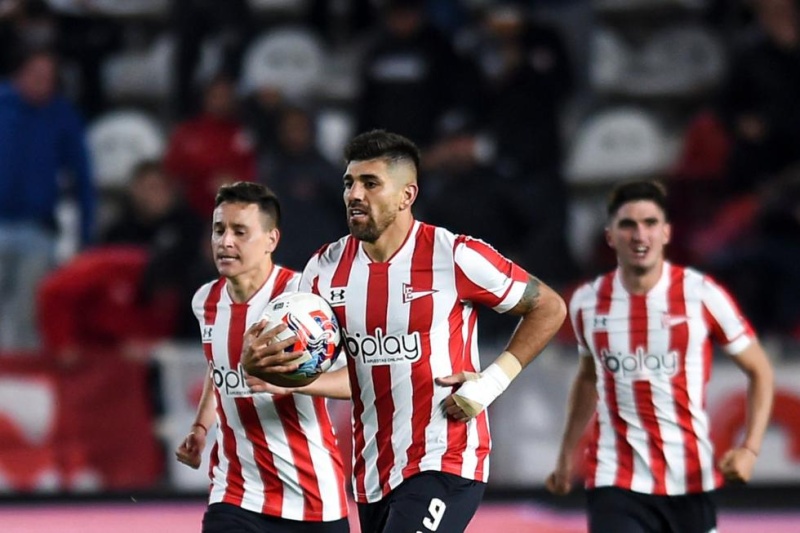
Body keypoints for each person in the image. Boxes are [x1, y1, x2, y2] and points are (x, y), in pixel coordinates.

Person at [243, 130, 567, 532]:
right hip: (373, 472)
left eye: (370, 183)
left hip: (445, 458)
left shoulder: (454, 255)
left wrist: (492, 382)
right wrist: (283, 374)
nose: (354, 194)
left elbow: (548, 306)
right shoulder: (325, 269)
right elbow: (359, 375)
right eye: (349, 183)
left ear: (406, 195)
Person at [545, 180, 775, 533]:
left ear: (666, 232)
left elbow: (759, 369)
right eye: (628, 224)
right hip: (615, 480)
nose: (640, 235)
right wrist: (566, 455)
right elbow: (589, 377)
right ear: (610, 236)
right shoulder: (587, 302)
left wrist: (750, 449)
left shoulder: (702, 295)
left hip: (689, 481)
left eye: (650, 223)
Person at [175, 182, 349, 532]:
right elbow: (218, 367)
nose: (225, 242)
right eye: (219, 230)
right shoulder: (205, 301)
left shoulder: (304, 302)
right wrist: (200, 427)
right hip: (235, 492)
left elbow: (354, 382)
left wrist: (292, 384)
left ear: (271, 240)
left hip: (312, 497)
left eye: (240, 232)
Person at [0, 47, 96, 350]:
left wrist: (85, 236)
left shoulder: (62, 117)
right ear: (19, 74)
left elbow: (82, 178)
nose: (42, 83)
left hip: (37, 229)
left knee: (28, 316)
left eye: (48, 78)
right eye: (36, 75)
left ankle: (18, 377)